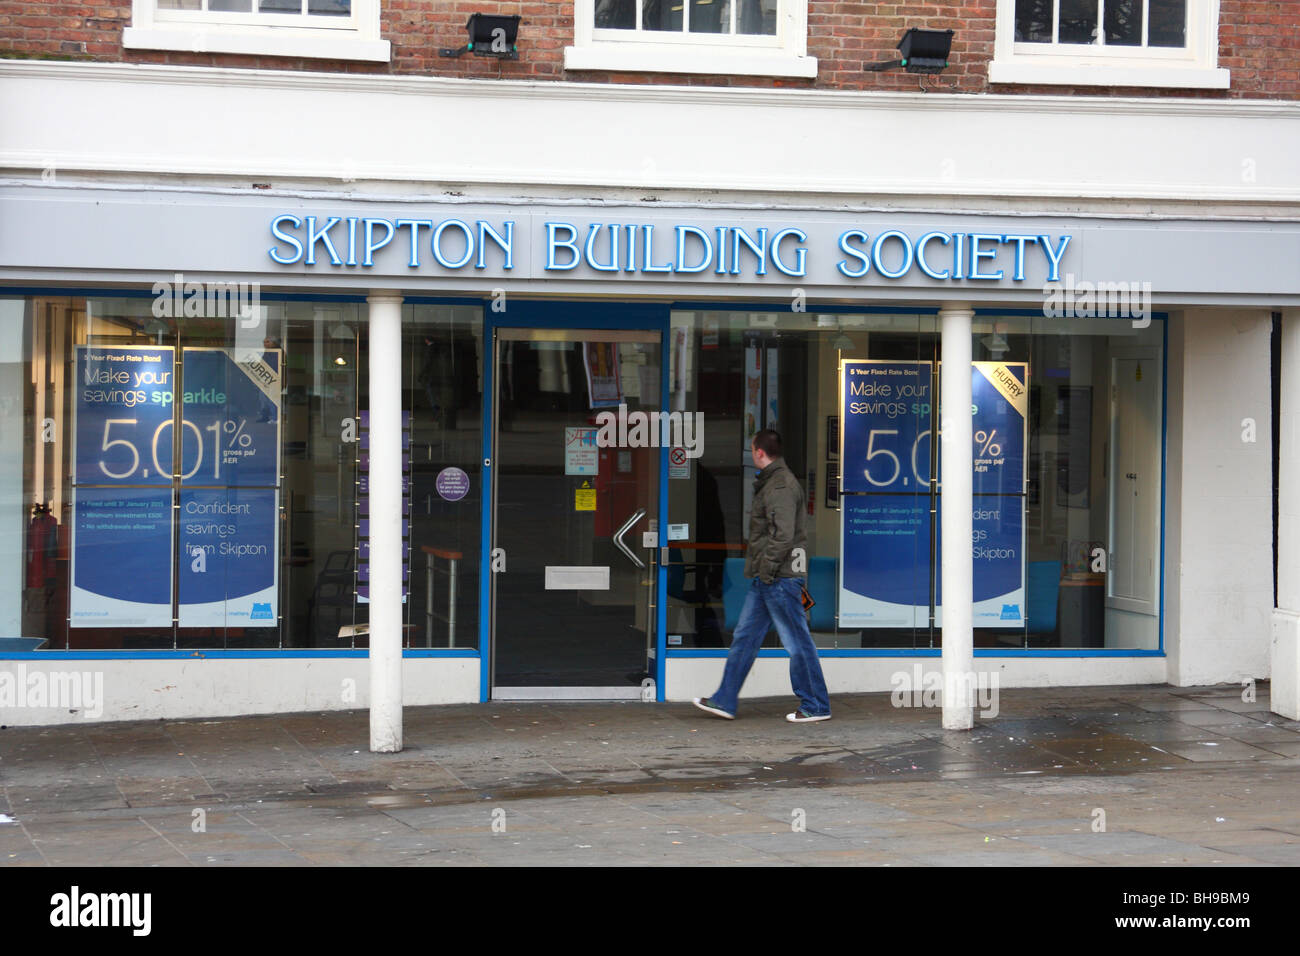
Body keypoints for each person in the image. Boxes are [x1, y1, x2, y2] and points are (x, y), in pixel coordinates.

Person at [694, 429, 831, 723]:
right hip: (768, 578)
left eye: (752, 449)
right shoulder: (773, 482)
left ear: (758, 452)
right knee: (745, 638)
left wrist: (767, 571)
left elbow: (782, 537)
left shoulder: (780, 485)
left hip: (778, 578)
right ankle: (724, 700)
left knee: (797, 642)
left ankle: (816, 704)